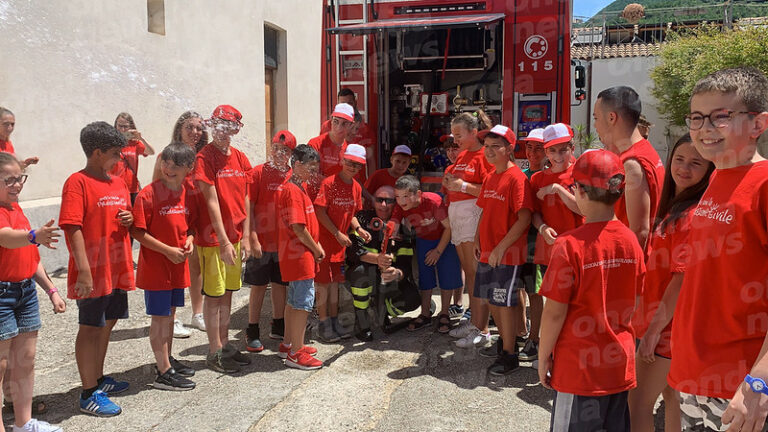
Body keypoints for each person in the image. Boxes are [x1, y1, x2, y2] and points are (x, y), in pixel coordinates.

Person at [667, 67, 768, 431]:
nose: (704, 128)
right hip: (696, 377)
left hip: (742, 388)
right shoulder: (716, 179)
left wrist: (760, 382)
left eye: (721, 117)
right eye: (696, 117)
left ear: (758, 124)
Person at [538, 149, 645, 431]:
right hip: (618, 364)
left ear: (580, 192)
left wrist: (543, 356)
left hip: (579, 371)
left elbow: (553, 314)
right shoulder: (631, 241)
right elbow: (634, 301)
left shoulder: (569, 245)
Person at [628, 134, 714, 432]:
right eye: (679, 159)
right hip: (664, 326)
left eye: (695, 163)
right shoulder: (676, 208)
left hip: (666, 332)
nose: (684, 168)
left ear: (709, 169)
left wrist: (653, 333)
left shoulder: (690, 215)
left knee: (637, 407)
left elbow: (680, 281)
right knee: (671, 399)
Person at [59, 121, 135, 417]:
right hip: (93, 270)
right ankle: (88, 392)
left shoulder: (117, 182)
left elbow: (118, 215)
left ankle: (99, 378)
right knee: (90, 327)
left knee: (109, 321)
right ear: (97, 152)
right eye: (116, 153)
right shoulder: (76, 182)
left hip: (115, 267)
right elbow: (72, 227)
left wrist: (127, 218)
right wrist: (84, 270)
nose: (120, 159)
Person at [0, 152, 64, 432]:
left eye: (19, 179)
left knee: (25, 361)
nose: (17, 185)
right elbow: (5, 237)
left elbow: (30, 258)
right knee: (1, 364)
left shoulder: (17, 209)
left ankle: (24, 423)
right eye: (9, 180)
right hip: (2, 295)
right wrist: (32, 236)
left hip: (25, 292)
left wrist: (51, 290)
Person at [131, 143, 197, 391]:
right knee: (159, 319)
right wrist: (168, 251)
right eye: (165, 163)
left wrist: (189, 241)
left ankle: (167, 359)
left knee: (170, 316)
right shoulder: (148, 194)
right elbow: (138, 232)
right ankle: (163, 371)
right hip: (157, 269)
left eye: (176, 166)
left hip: (177, 268)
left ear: (188, 169)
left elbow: (189, 227)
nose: (169, 169)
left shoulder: (185, 192)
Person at [194, 105, 252, 373]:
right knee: (214, 296)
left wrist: (247, 236)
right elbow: (210, 200)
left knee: (229, 294)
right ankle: (214, 350)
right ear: (213, 126)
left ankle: (226, 344)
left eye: (229, 127)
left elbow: (246, 198)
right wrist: (224, 240)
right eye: (219, 126)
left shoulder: (240, 158)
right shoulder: (205, 157)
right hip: (214, 240)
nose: (224, 132)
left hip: (236, 237)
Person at [472, 125, 533, 372]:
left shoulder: (517, 178)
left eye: (495, 146)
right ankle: (504, 344)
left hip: (506, 255)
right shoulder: (491, 176)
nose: (489, 151)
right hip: (488, 252)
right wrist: (477, 239)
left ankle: (510, 354)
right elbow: (485, 210)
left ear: (509, 149)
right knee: (493, 300)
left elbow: (524, 218)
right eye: (486, 146)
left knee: (503, 302)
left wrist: (499, 248)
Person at [526, 124, 583, 363]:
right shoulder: (537, 179)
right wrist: (541, 228)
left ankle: (573, 351)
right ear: (546, 152)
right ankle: (556, 353)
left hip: (579, 249)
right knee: (555, 303)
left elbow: (583, 207)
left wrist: (558, 189)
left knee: (578, 303)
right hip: (551, 249)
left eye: (563, 150)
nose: (558, 156)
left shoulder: (580, 173)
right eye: (553, 151)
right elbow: (535, 213)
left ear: (572, 148)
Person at [153, 111, 209, 337]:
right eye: (190, 127)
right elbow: (156, 187)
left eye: (198, 128)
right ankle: (172, 317)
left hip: (196, 215)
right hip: (174, 214)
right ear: (179, 129)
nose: (195, 132)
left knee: (195, 267)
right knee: (175, 266)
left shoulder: (203, 157)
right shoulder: (166, 156)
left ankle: (197, 314)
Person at [444, 111, 495, 347]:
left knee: (477, 274)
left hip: (473, 216)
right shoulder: (463, 154)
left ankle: (482, 328)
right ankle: (474, 322)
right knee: (469, 273)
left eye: (459, 135)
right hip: (458, 215)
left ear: (474, 133)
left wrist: (461, 185)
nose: (455, 141)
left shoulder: (485, 155)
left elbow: (489, 191)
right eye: (453, 135)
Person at [345, 185, 420, 341]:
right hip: (366, 273)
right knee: (360, 272)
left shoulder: (402, 226)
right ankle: (362, 321)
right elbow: (352, 250)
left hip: (388, 280)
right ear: (373, 201)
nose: (383, 205)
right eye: (379, 200)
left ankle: (383, 311)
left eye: (389, 201)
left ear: (396, 203)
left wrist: (398, 274)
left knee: (414, 299)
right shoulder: (362, 219)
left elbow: (406, 262)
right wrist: (377, 259)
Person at [593, 86, 664, 249]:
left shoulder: (632, 164)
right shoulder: (645, 149)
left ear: (611, 118)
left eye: (596, 118)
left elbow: (640, 231)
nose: (595, 125)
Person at [243, 130, 295, 352]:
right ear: (270, 148)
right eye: (276, 148)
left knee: (280, 285)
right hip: (261, 242)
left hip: (283, 243)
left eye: (285, 150)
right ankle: (252, 329)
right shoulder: (257, 173)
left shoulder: (292, 175)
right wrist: (251, 236)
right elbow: (249, 205)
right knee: (258, 286)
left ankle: (278, 323)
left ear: (291, 153)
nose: (279, 153)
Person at [391, 175, 462, 332]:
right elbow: (393, 224)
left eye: (405, 196)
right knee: (425, 276)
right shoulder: (400, 206)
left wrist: (438, 251)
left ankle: (444, 313)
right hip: (424, 239)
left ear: (418, 194)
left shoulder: (433, 201)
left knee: (447, 274)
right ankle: (425, 313)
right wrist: (390, 235)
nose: (401, 201)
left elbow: (449, 228)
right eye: (397, 196)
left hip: (445, 238)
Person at [314, 144, 369, 342]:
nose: (352, 167)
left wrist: (358, 229)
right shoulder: (329, 183)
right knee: (323, 284)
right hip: (324, 243)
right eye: (350, 162)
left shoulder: (356, 187)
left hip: (340, 245)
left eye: (357, 165)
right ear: (342, 160)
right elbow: (320, 212)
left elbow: (352, 213)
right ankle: (323, 323)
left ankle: (334, 321)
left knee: (335, 284)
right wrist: (337, 233)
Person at [275, 144, 324, 370]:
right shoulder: (293, 191)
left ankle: (289, 343)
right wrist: (315, 248)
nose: (313, 172)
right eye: (310, 167)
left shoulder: (298, 187)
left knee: (293, 301)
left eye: (316, 167)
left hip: (296, 255)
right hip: (300, 256)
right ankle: (295, 353)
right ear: (297, 165)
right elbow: (298, 227)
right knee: (302, 304)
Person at [320, 88, 376, 177]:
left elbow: (371, 161)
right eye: (342, 103)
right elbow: (321, 155)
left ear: (355, 103)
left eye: (349, 103)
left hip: (356, 183)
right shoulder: (326, 127)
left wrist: (370, 185)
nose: (346, 106)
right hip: (331, 180)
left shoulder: (366, 130)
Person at [439, 134, 466, 319]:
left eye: (454, 148)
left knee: (467, 265)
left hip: (469, 222)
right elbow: (444, 196)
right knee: (458, 263)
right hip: (453, 220)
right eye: (448, 149)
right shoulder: (448, 169)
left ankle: (460, 302)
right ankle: (457, 304)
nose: (450, 152)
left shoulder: (469, 168)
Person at [307, 103, 355, 198]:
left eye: (344, 123)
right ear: (331, 120)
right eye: (336, 121)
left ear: (351, 125)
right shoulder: (315, 144)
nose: (339, 128)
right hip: (315, 200)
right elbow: (310, 174)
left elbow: (352, 180)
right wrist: (337, 188)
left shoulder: (350, 150)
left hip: (337, 202)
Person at [111, 113, 155, 205]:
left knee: (134, 216)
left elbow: (151, 152)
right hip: (114, 187)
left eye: (125, 126)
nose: (123, 129)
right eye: (120, 126)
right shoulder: (111, 143)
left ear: (131, 127)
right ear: (115, 125)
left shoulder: (135, 143)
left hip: (132, 188)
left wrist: (141, 138)